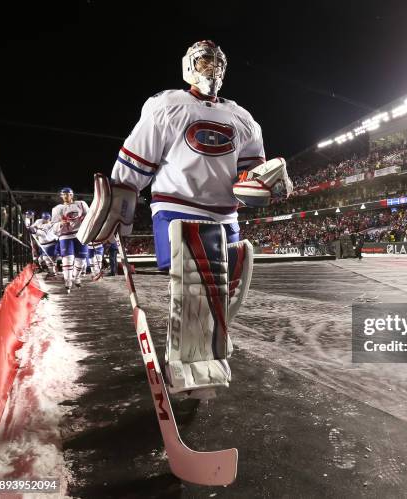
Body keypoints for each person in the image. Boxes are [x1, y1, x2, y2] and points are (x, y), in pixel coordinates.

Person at [78, 40, 292, 397]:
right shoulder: (167, 105)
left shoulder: (243, 118)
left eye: (218, 62)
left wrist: (268, 181)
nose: (212, 68)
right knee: (197, 282)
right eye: (205, 59)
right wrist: (118, 203)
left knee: (230, 285)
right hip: (179, 207)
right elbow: (134, 165)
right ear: (188, 64)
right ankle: (189, 364)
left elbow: (249, 175)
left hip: (227, 214)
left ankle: (203, 343)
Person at [51, 187, 89, 293]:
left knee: (81, 261)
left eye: (68, 194)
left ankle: (76, 277)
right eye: (64, 194)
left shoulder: (81, 204)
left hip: (80, 235)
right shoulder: (57, 209)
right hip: (66, 236)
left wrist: (85, 220)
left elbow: (91, 217)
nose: (66, 196)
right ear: (61, 196)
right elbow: (54, 227)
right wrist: (60, 224)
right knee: (68, 260)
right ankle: (68, 281)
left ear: (72, 195)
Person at [28, 212, 59, 278]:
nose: (46, 220)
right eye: (45, 218)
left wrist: (36, 231)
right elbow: (32, 227)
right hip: (42, 245)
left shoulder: (51, 224)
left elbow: (44, 234)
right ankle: (47, 269)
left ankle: (52, 273)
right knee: (40, 259)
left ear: (50, 218)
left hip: (51, 244)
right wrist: (31, 228)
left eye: (47, 219)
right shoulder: (39, 221)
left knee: (47, 259)